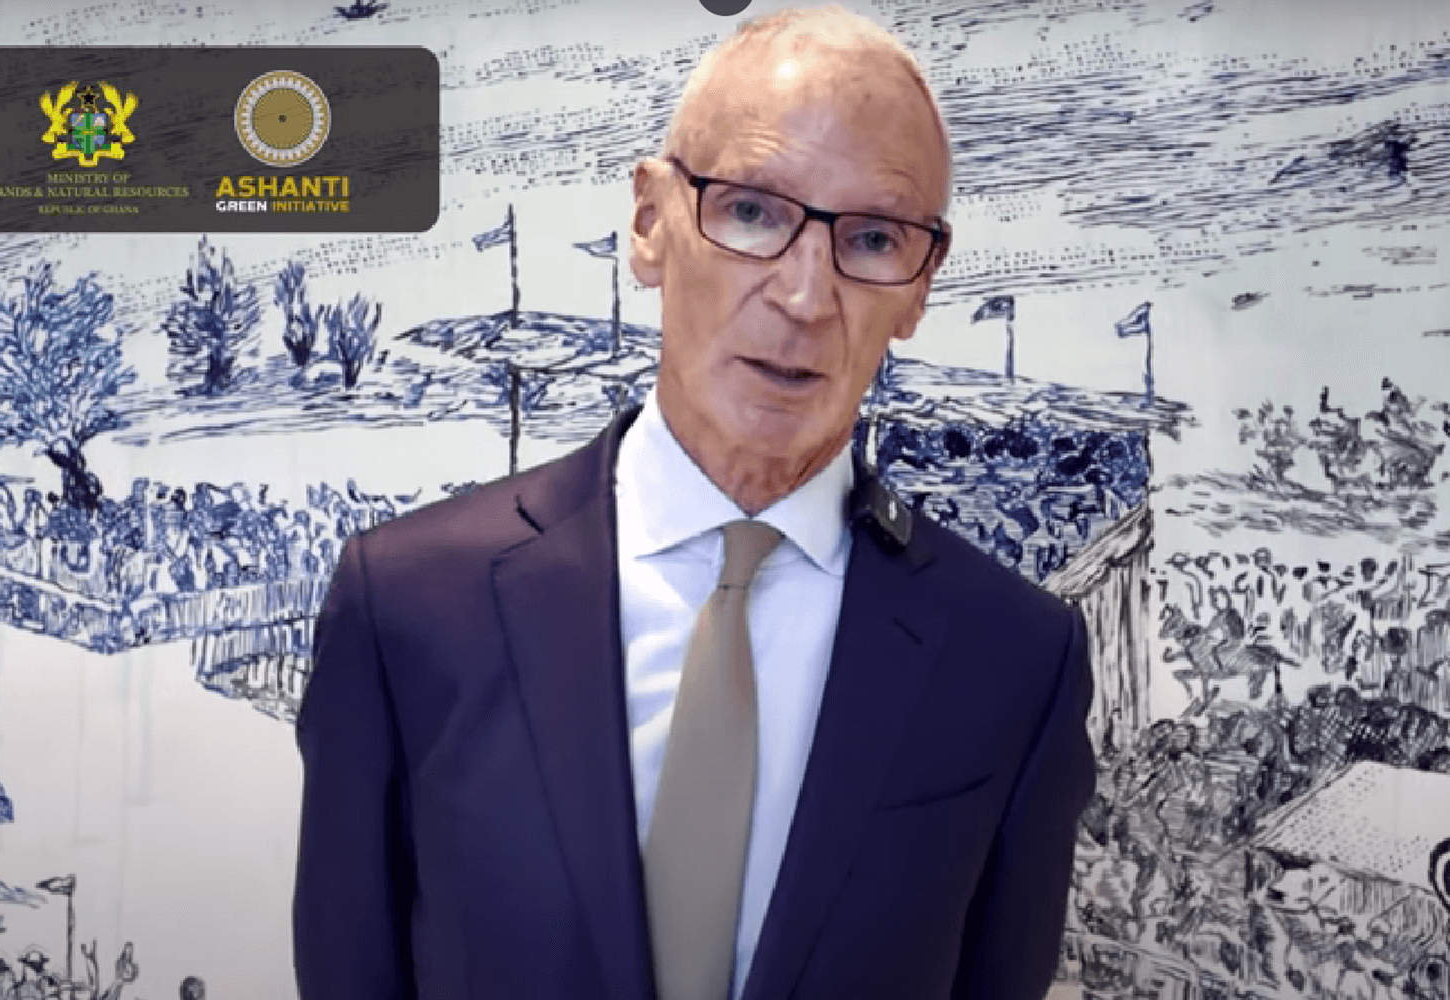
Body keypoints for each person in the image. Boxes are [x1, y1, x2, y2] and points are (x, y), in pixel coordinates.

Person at [292, 7, 1096, 1000]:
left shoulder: (1015, 657)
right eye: (752, 211)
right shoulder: (410, 604)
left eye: (873, 237)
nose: (805, 296)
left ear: (921, 284)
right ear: (650, 222)